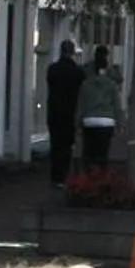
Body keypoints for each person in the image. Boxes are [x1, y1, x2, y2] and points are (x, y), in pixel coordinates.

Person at [44, 40, 84, 185]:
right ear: (72, 53)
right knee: (66, 146)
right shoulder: (78, 72)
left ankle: (55, 176)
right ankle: (64, 176)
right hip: (70, 112)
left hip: (54, 111)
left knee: (55, 144)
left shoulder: (52, 69)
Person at [76, 60, 122, 167]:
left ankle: (89, 170)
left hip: (89, 120)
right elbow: (116, 105)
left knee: (88, 152)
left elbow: (81, 105)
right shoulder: (111, 84)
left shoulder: (86, 84)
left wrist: (77, 124)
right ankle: (101, 171)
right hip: (107, 120)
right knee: (103, 153)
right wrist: (120, 123)